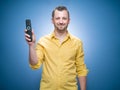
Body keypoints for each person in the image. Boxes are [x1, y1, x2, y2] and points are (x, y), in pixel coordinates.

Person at [25, 6, 88, 90]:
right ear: (52, 20)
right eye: (57, 18)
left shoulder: (77, 42)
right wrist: (31, 45)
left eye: (64, 18)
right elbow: (34, 64)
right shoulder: (43, 41)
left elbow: (81, 70)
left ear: (69, 20)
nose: (61, 21)